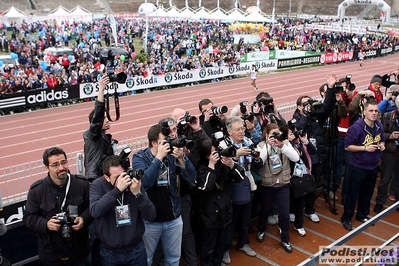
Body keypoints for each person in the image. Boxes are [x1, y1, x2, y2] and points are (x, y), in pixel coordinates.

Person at [132, 124, 197, 266]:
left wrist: (182, 159)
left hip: (173, 218)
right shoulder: (140, 157)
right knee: (147, 260)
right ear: (154, 142)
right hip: (150, 222)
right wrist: (159, 158)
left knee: (173, 259)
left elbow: (192, 177)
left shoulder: (172, 156)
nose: (168, 143)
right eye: (163, 141)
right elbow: (145, 183)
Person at [23, 147, 93, 265]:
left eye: (63, 162)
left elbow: (92, 207)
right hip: (51, 253)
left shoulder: (82, 184)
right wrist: (46, 224)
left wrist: (83, 219)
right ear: (47, 167)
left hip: (79, 251)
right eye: (55, 164)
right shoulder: (37, 191)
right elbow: (28, 217)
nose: (61, 168)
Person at [89, 155, 156, 265]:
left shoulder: (133, 184)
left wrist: (138, 194)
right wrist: (117, 190)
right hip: (110, 252)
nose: (123, 180)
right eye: (117, 177)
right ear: (106, 177)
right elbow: (95, 211)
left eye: (123, 175)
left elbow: (151, 215)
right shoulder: (98, 185)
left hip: (136, 249)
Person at [292, 74, 336, 223]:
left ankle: (310, 210)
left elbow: (329, 106)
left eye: (309, 103)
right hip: (301, 160)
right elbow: (298, 128)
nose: (308, 106)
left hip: (317, 158)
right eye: (305, 104)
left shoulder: (316, 116)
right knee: (298, 187)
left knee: (313, 186)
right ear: (299, 107)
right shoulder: (296, 119)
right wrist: (306, 115)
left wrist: (330, 88)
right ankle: (294, 210)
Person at [196, 139, 245, 266]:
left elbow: (241, 178)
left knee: (224, 243)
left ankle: (217, 263)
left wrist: (232, 165)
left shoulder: (224, 165)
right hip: (209, 216)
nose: (217, 154)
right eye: (213, 153)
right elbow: (206, 186)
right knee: (208, 247)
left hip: (225, 214)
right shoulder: (202, 168)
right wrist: (211, 166)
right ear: (207, 155)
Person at [253, 123, 299, 253]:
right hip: (267, 185)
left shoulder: (284, 144)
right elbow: (259, 162)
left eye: (277, 133)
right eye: (273, 134)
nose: (276, 136)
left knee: (284, 213)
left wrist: (283, 146)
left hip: (283, 184)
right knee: (265, 210)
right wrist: (268, 145)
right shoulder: (261, 146)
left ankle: (285, 239)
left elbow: (295, 158)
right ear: (267, 135)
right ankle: (261, 230)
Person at [341, 98, 385, 231]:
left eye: (376, 111)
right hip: (358, 166)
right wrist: (364, 148)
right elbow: (347, 146)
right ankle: (346, 218)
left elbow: (382, 140)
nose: (374, 113)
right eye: (371, 111)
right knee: (352, 193)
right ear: (364, 112)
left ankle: (362, 215)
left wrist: (382, 145)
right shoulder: (356, 128)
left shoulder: (379, 125)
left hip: (372, 166)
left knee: (367, 193)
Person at [220, 116, 257, 259]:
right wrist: (235, 155)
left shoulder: (248, 141)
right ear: (229, 131)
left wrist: (257, 157)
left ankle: (243, 243)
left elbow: (256, 163)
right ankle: (225, 249)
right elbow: (222, 168)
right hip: (231, 187)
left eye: (243, 128)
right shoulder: (223, 145)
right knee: (230, 221)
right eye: (238, 129)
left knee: (245, 219)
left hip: (247, 184)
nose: (242, 132)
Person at [83, 75, 118, 181]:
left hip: (103, 175)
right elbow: (97, 117)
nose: (107, 120)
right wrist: (101, 89)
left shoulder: (104, 137)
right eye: (104, 119)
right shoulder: (94, 135)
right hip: (95, 178)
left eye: (107, 117)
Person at [374, 97, 399, 213]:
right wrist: (391, 136)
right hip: (390, 152)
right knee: (385, 179)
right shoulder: (388, 116)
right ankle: (380, 202)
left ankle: (397, 202)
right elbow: (380, 133)